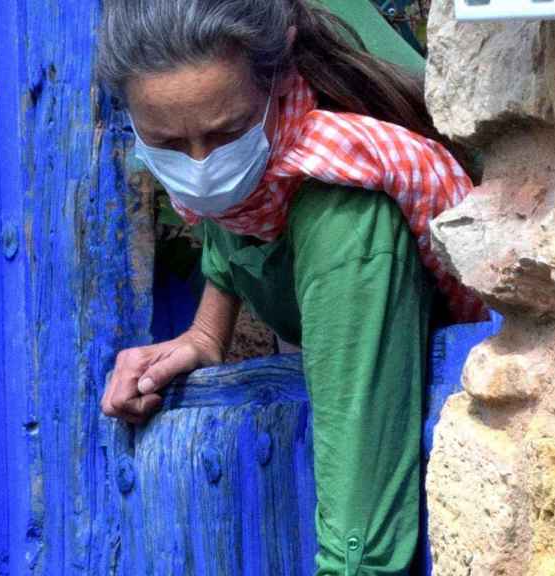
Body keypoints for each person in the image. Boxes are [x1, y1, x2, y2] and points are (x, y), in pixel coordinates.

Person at [97, 1, 483, 573]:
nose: (202, 166)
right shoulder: (266, 169)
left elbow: (362, 541)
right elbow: (235, 212)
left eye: (225, 134)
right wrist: (207, 333)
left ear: (279, 82)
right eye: (169, 145)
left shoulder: (344, 207)